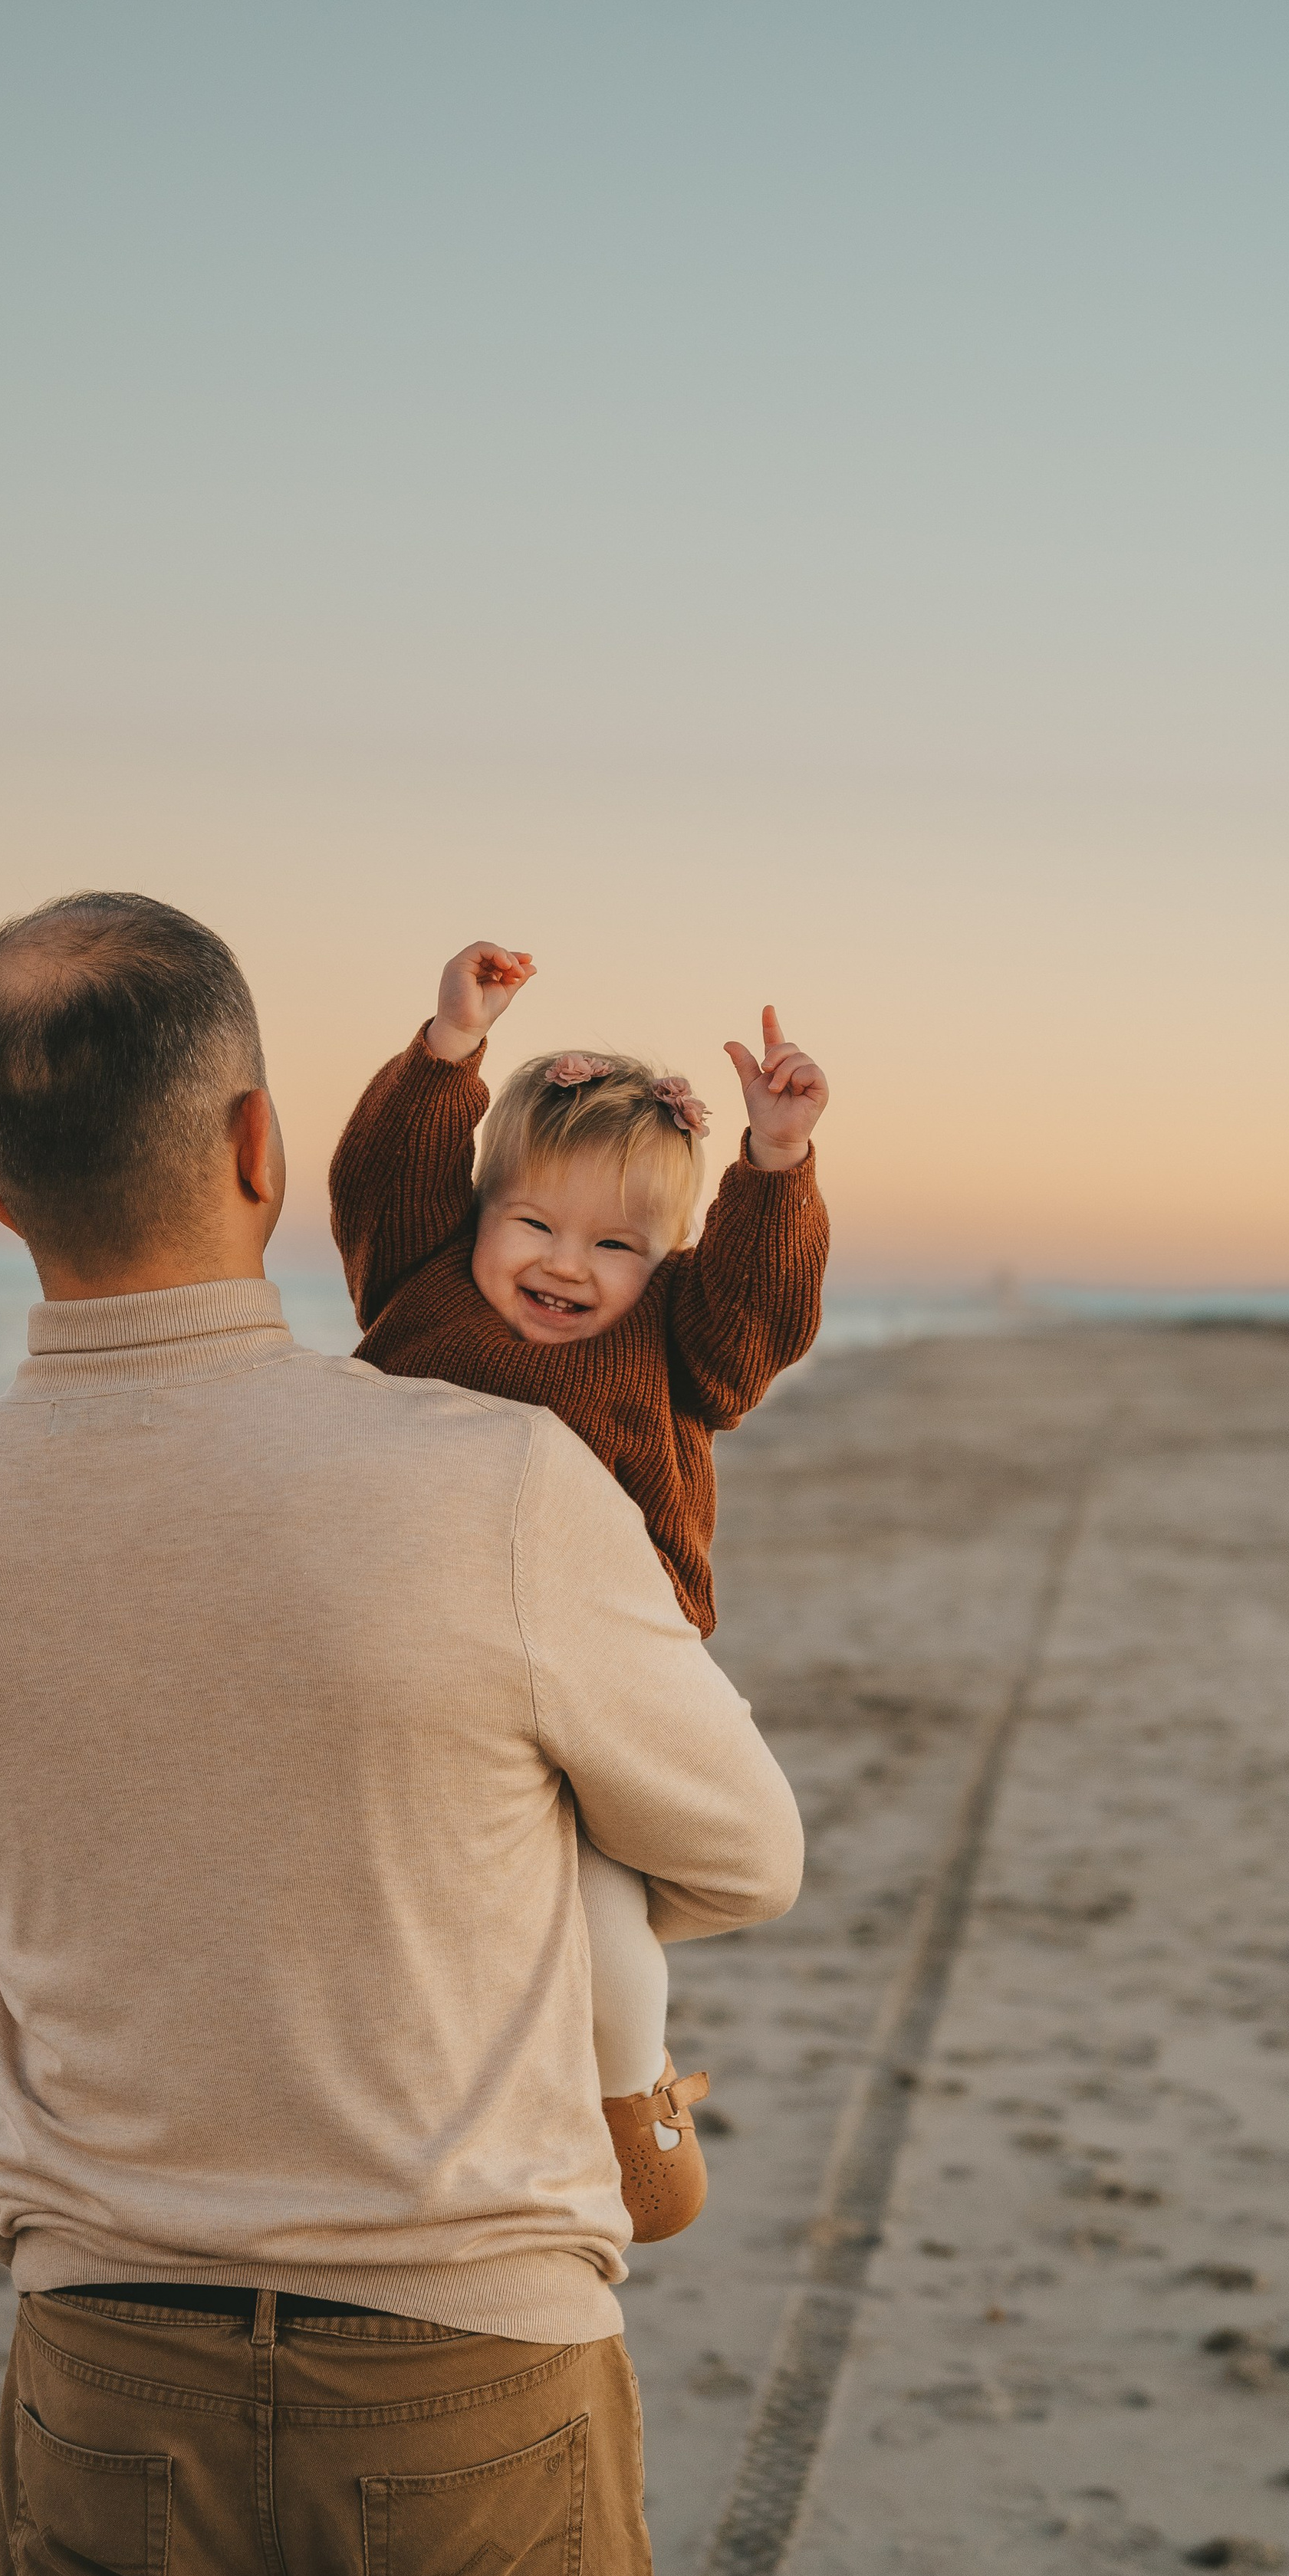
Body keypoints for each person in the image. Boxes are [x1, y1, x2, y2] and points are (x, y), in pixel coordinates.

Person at [0, 892, 804, 2576]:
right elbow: (743, 1854)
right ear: (260, 1146)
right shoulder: (499, 1482)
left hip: (104, 2357)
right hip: (461, 2357)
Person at [330, 942, 828, 2243]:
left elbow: (760, 1315)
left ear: (665, 1259)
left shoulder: (675, 1338)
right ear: (478, 1213)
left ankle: (632, 2096)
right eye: (535, 1226)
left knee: (605, 1911)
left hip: (606, 1667)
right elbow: (384, 1179)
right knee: (427, 1889)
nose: (568, 1265)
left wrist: (775, 1165)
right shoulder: (423, 1280)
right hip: (424, 1651)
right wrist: (448, 1052)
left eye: (617, 1244)